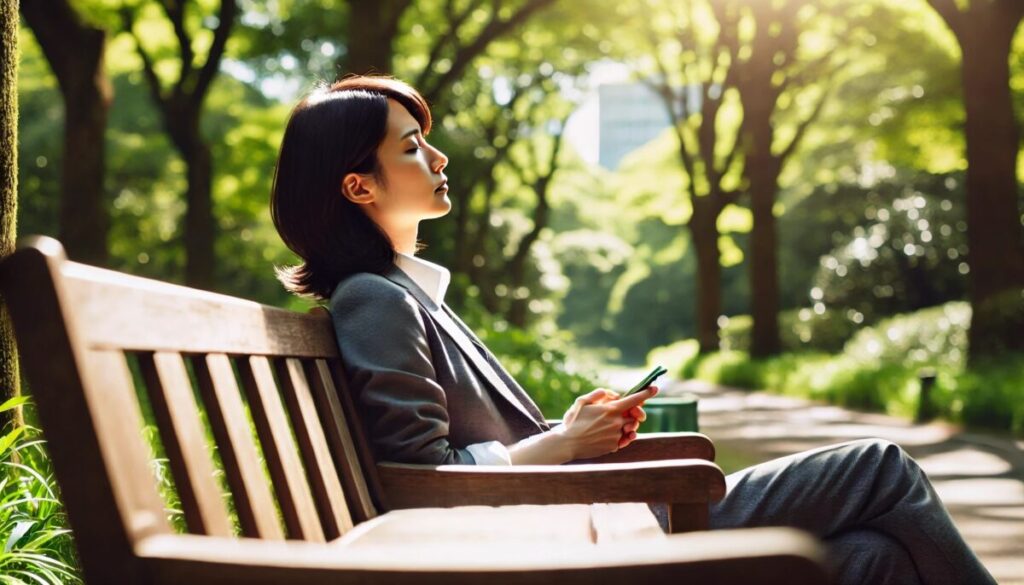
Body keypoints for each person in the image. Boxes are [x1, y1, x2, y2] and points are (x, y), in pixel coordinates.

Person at [270, 75, 996, 585]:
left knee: (877, 560)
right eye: (409, 146)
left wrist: (576, 428)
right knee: (880, 466)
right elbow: (419, 481)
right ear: (358, 185)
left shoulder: (404, 291)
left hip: (571, 527)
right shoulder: (375, 297)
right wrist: (562, 443)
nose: (438, 155)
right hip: (556, 545)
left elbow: (455, 452)